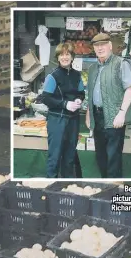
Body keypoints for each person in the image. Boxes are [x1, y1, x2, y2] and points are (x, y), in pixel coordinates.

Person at [85, 32, 131, 178]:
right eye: (96, 46)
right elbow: (90, 93)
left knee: (113, 157)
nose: (100, 48)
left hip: (115, 117)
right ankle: (104, 186)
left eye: (103, 45)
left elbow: (130, 89)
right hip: (97, 116)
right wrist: (89, 113)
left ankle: (113, 190)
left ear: (110, 46)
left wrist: (122, 113)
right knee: (100, 156)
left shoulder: (121, 63)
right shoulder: (92, 68)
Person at [40, 42, 85, 178]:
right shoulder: (53, 76)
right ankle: (50, 187)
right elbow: (45, 98)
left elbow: (81, 93)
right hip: (57, 119)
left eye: (67, 54)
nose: (65, 57)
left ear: (72, 57)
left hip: (73, 120)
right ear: (58, 58)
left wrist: (79, 100)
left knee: (70, 156)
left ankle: (67, 187)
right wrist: (65, 104)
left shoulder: (77, 75)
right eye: (62, 55)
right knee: (54, 157)